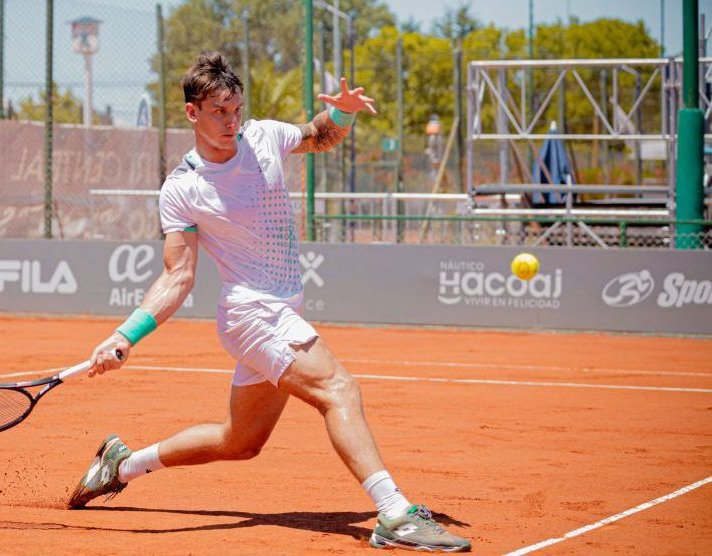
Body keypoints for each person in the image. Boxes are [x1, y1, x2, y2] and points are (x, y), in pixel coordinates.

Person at [68, 51, 470, 553]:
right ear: (193, 112)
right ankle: (394, 514)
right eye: (219, 112)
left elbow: (318, 134)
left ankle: (120, 464)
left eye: (236, 109)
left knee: (241, 442)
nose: (231, 121)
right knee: (338, 389)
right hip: (250, 314)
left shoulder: (263, 137)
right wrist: (126, 335)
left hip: (282, 308)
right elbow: (178, 276)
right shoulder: (183, 188)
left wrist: (341, 112)